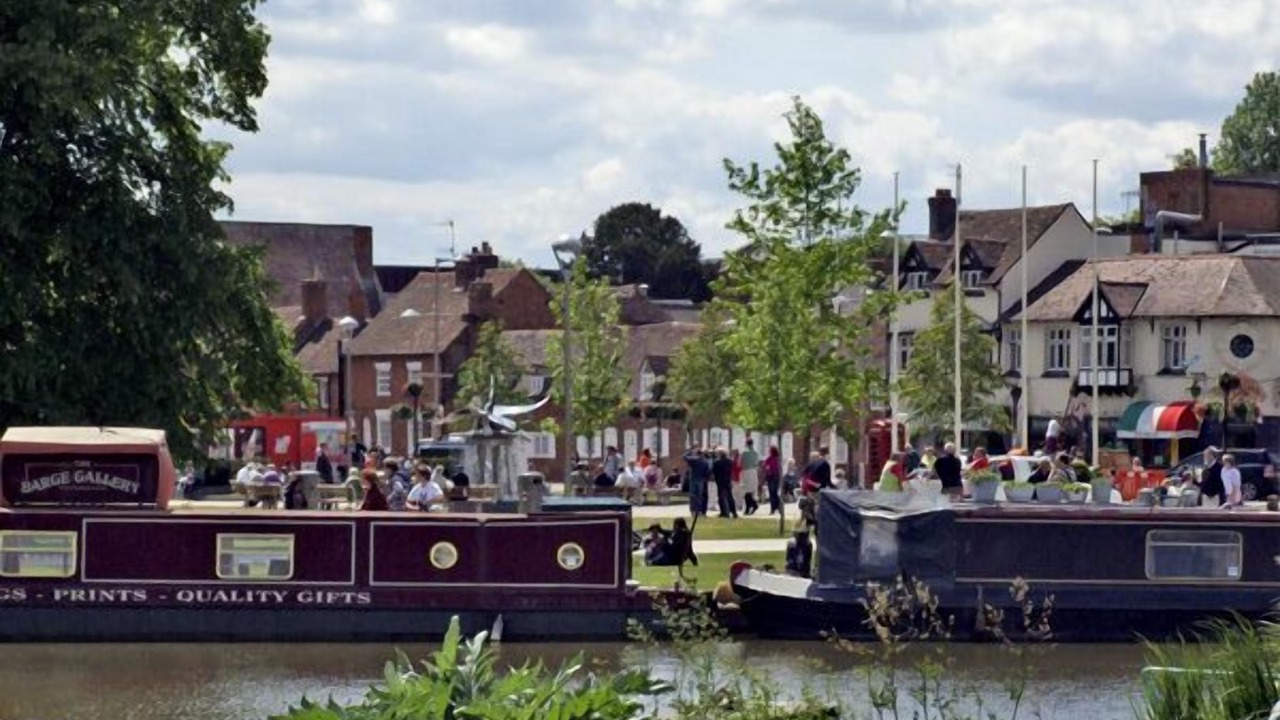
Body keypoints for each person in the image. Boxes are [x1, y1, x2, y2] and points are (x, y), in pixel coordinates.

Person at [682, 446, 712, 517]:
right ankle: (698, 511)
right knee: (699, 497)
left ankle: (693, 510)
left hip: (693, 480)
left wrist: (689, 451)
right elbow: (707, 472)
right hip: (701, 481)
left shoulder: (693, 460)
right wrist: (705, 478)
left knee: (692, 496)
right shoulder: (705, 462)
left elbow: (684, 457)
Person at [712, 447, 736, 519]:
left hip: (720, 481)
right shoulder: (730, 462)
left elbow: (715, 472)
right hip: (727, 480)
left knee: (722, 497)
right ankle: (733, 512)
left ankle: (725, 512)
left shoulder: (717, 463)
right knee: (730, 497)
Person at [740, 439, 761, 515]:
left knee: (746, 491)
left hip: (746, 471)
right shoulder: (755, 453)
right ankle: (749, 507)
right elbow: (757, 463)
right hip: (753, 471)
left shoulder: (744, 453)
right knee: (750, 491)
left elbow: (741, 463)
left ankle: (752, 505)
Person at [762, 445, 783, 515]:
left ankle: (773, 508)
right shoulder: (777, 459)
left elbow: (765, 466)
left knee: (772, 493)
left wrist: (768, 471)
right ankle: (777, 506)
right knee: (774, 492)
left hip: (771, 477)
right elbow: (779, 468)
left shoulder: (770, 459)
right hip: (776, 477)